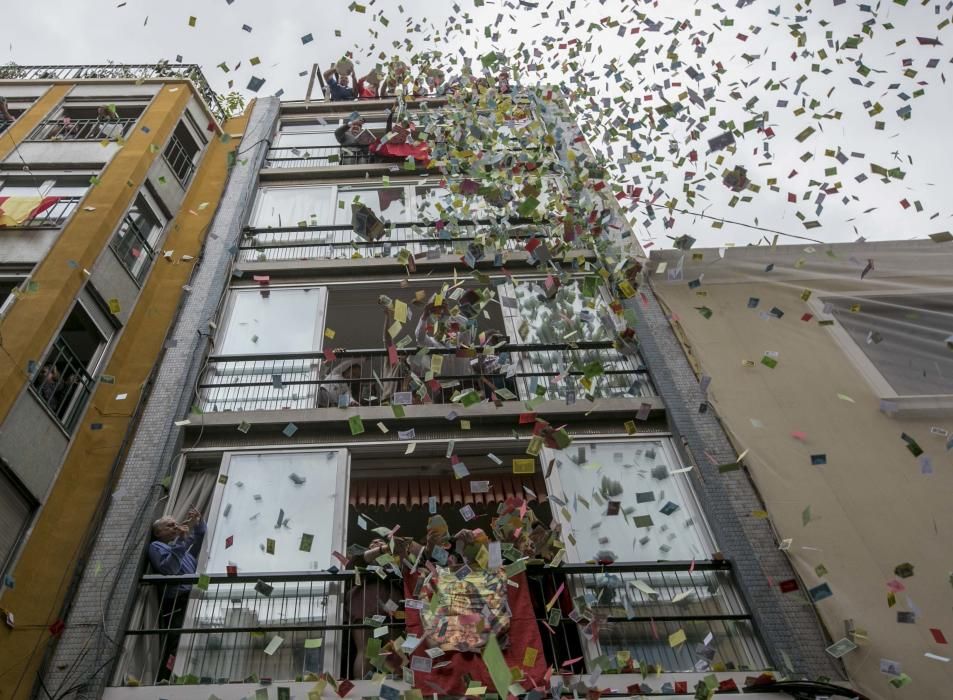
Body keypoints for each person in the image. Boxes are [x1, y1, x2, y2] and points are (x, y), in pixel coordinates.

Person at [147, 508, 205, 682]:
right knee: (175, 642)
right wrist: (180, 541)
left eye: (175, 524)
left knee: (194, 640)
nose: (175, 526)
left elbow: (200, 540)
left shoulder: (181, 548)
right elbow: (169, 569)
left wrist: (198, 522)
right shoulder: (156, 546)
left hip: (193, 599)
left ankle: (187, 677)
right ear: (158, 532)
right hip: (177, 602)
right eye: (169, 525)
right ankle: (165, 677)